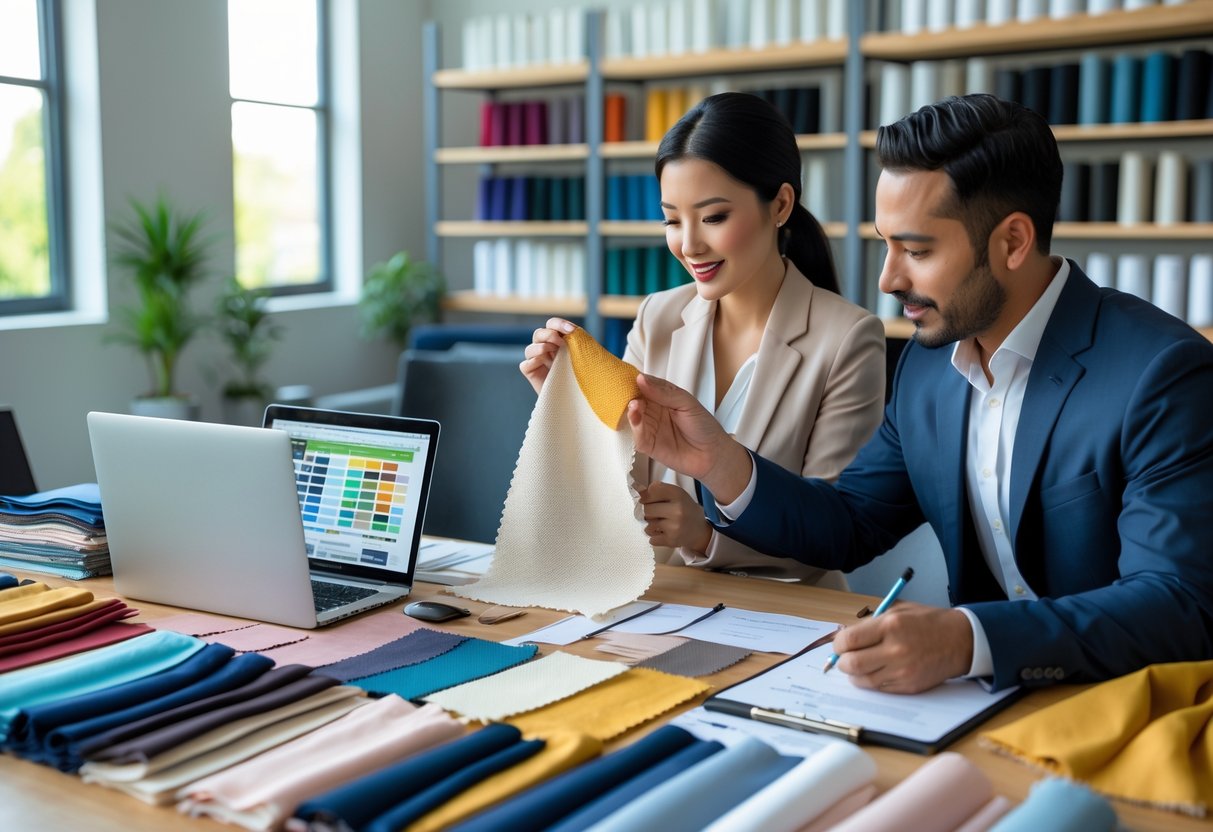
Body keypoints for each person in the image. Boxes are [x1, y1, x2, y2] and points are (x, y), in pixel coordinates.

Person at [626, 93, 1213, 693]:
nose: (888, 279)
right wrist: (721, 463)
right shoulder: (930, 368)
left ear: (1012, 242)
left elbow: (1179, 603)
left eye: (918, 250)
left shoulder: (1163, 375)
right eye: (886, 244)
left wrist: (968, 640)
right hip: (973, 702)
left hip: (1125, 700)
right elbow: (852, 523)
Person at [521, 92, 886, 584]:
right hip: (662, 601)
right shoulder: (659, 316)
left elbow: (835, 531)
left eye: (713, 217)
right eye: (672, 219)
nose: (688, 244)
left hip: (786, 614)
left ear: (779, 204)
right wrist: (564, 404)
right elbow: (618, 487)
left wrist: (705, 537)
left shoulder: (847, 339)